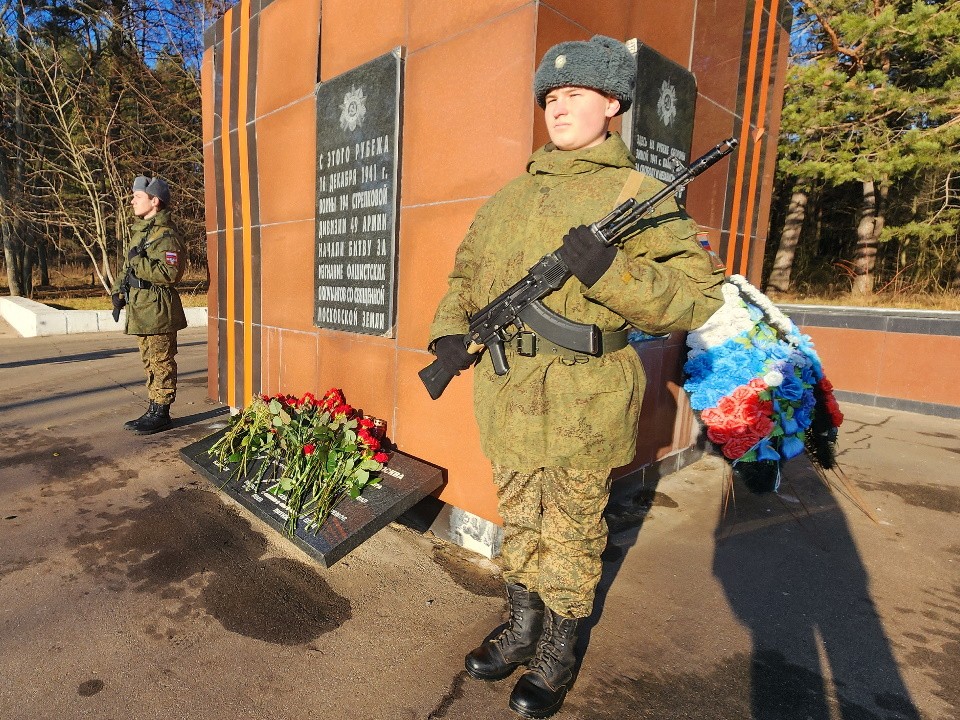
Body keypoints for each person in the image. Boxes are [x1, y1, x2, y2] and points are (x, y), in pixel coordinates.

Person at [427, 36, 725, 718]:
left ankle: (558, 647)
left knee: (573, 528)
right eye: (551, 98)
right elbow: (466, 274)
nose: (559, 109)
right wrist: (450, 329)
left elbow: (696, 296)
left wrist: (608, 269)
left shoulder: (637, 193)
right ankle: (521, 627)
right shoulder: (508, 198)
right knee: (521, 518)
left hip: (583, 392)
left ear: (612, 104)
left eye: (576, 95)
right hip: (507, 389)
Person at [112, 175, 187, 435]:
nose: (132, 200)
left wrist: (138, 263)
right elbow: (127, 266)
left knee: (162, 362)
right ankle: (154, 408)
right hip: (141, 308)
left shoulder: (165, 236)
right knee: (150, 362)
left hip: (158, 309)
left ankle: (162, 412)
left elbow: (170, 274)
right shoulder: (141, 232)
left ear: (154, 201)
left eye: (138, 197)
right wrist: (118, 293)